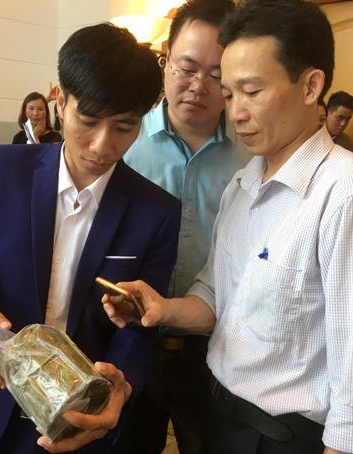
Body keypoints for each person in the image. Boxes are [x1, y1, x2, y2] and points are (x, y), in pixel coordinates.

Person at [103, 1, 353, 453]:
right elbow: (215, 298)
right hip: (225, 415)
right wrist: (161, 308)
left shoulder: (351, 198)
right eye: (230, 95)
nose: (236, 113)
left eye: (251, 91)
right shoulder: (244, 184)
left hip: (289, 436)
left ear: (311, 86)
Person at [0, 23, 180, 454]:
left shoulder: (156, 211)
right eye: (88, 120)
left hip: (84, 414)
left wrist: (120, 385)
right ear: (60, 99)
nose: (102, 145)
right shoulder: (5, 170)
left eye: (124, 126)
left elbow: (139, 327)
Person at [121, 1, 241, 453]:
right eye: (187, 68)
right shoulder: (125, 140)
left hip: (216, 346)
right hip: (130, 338)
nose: (197, 86)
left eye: (216, 75)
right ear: (166, 60)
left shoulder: (253, 153)